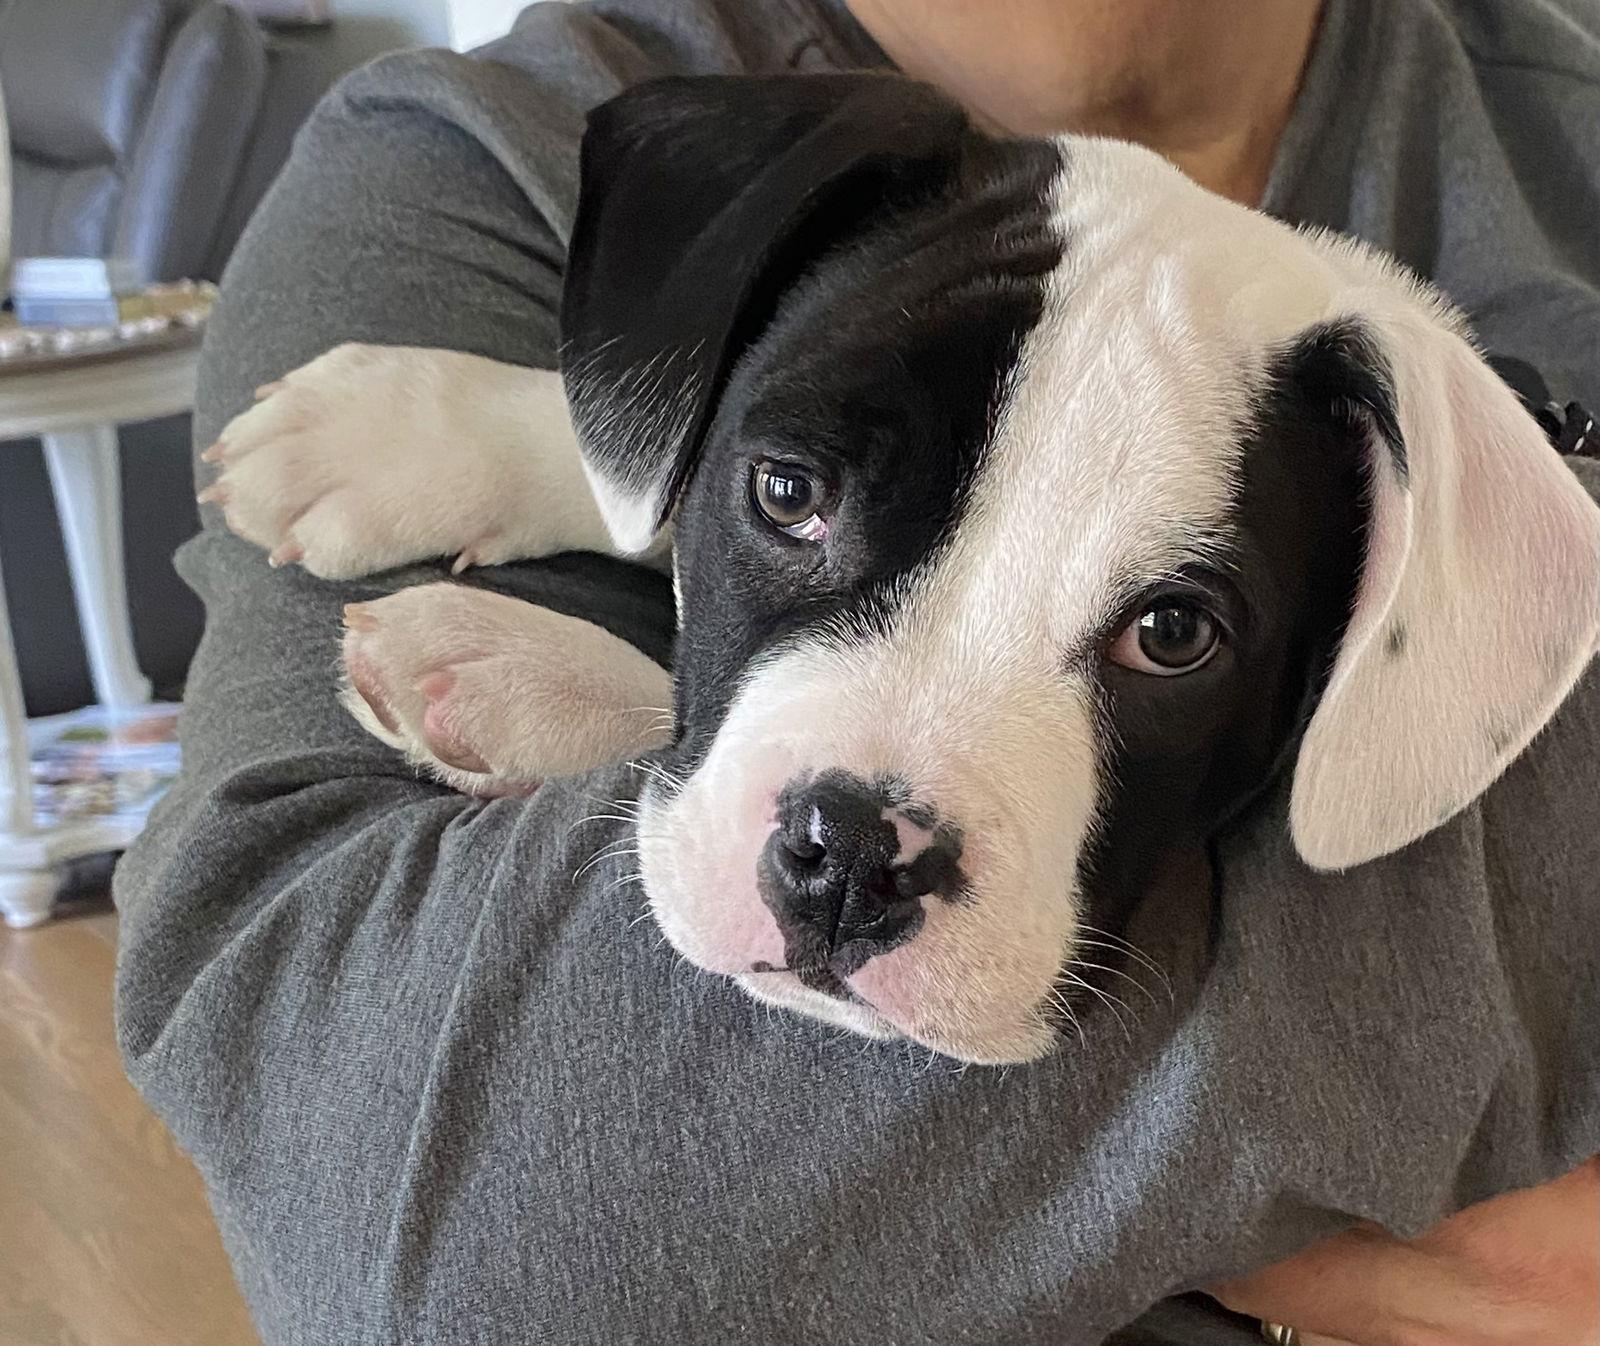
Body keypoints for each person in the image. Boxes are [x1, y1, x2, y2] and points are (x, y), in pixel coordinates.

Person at [116, 1, 1600, 1343]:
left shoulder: (1538, 170)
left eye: (1164, 632)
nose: (858, 860)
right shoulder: (482, 167)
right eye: (789, 495)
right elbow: (437, 1244)